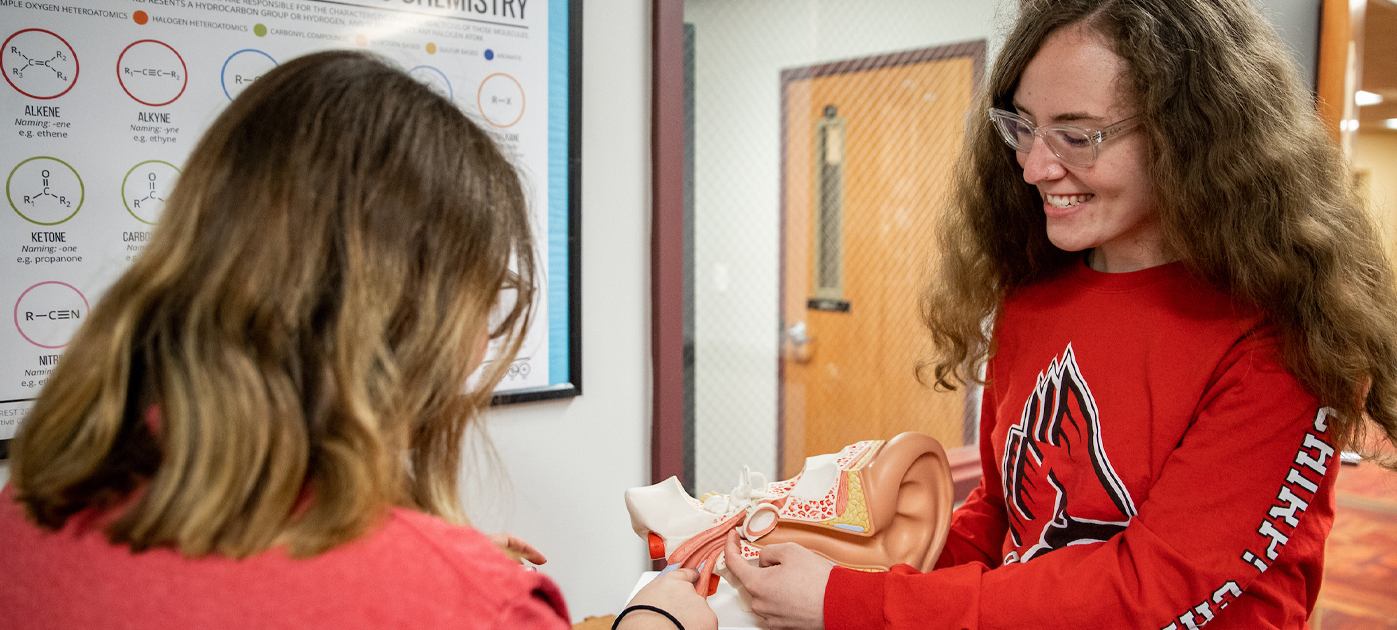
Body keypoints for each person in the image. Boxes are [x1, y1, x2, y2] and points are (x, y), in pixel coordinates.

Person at [721, 0, 1397, 628]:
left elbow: (1152, 590)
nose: (1034, 166)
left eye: (1077, 136)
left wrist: (858, 601)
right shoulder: (1034, 297)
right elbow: (1004, 517)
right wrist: (871, 568)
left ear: (1191, 134)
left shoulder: (1278, 339)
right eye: (1022, 128)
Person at [0, 51, 715, 630]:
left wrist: (413, 552)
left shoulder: (23, 520)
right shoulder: (470, 605)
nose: (476, 347)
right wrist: (653, 623)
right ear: (415, 316)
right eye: (483, 298)